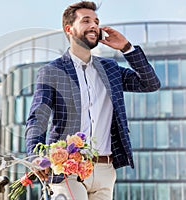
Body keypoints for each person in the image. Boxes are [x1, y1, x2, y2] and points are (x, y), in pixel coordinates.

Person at [25, 1, 161, 199]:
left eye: (96, 21)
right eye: (86, 20)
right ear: (69, 29)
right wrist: (35, 156)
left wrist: (126, 48)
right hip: (67, 168)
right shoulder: (52, 71)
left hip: (106, 169)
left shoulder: (110, 68)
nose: (94, 26)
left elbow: (150, 83)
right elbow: (38, 118)